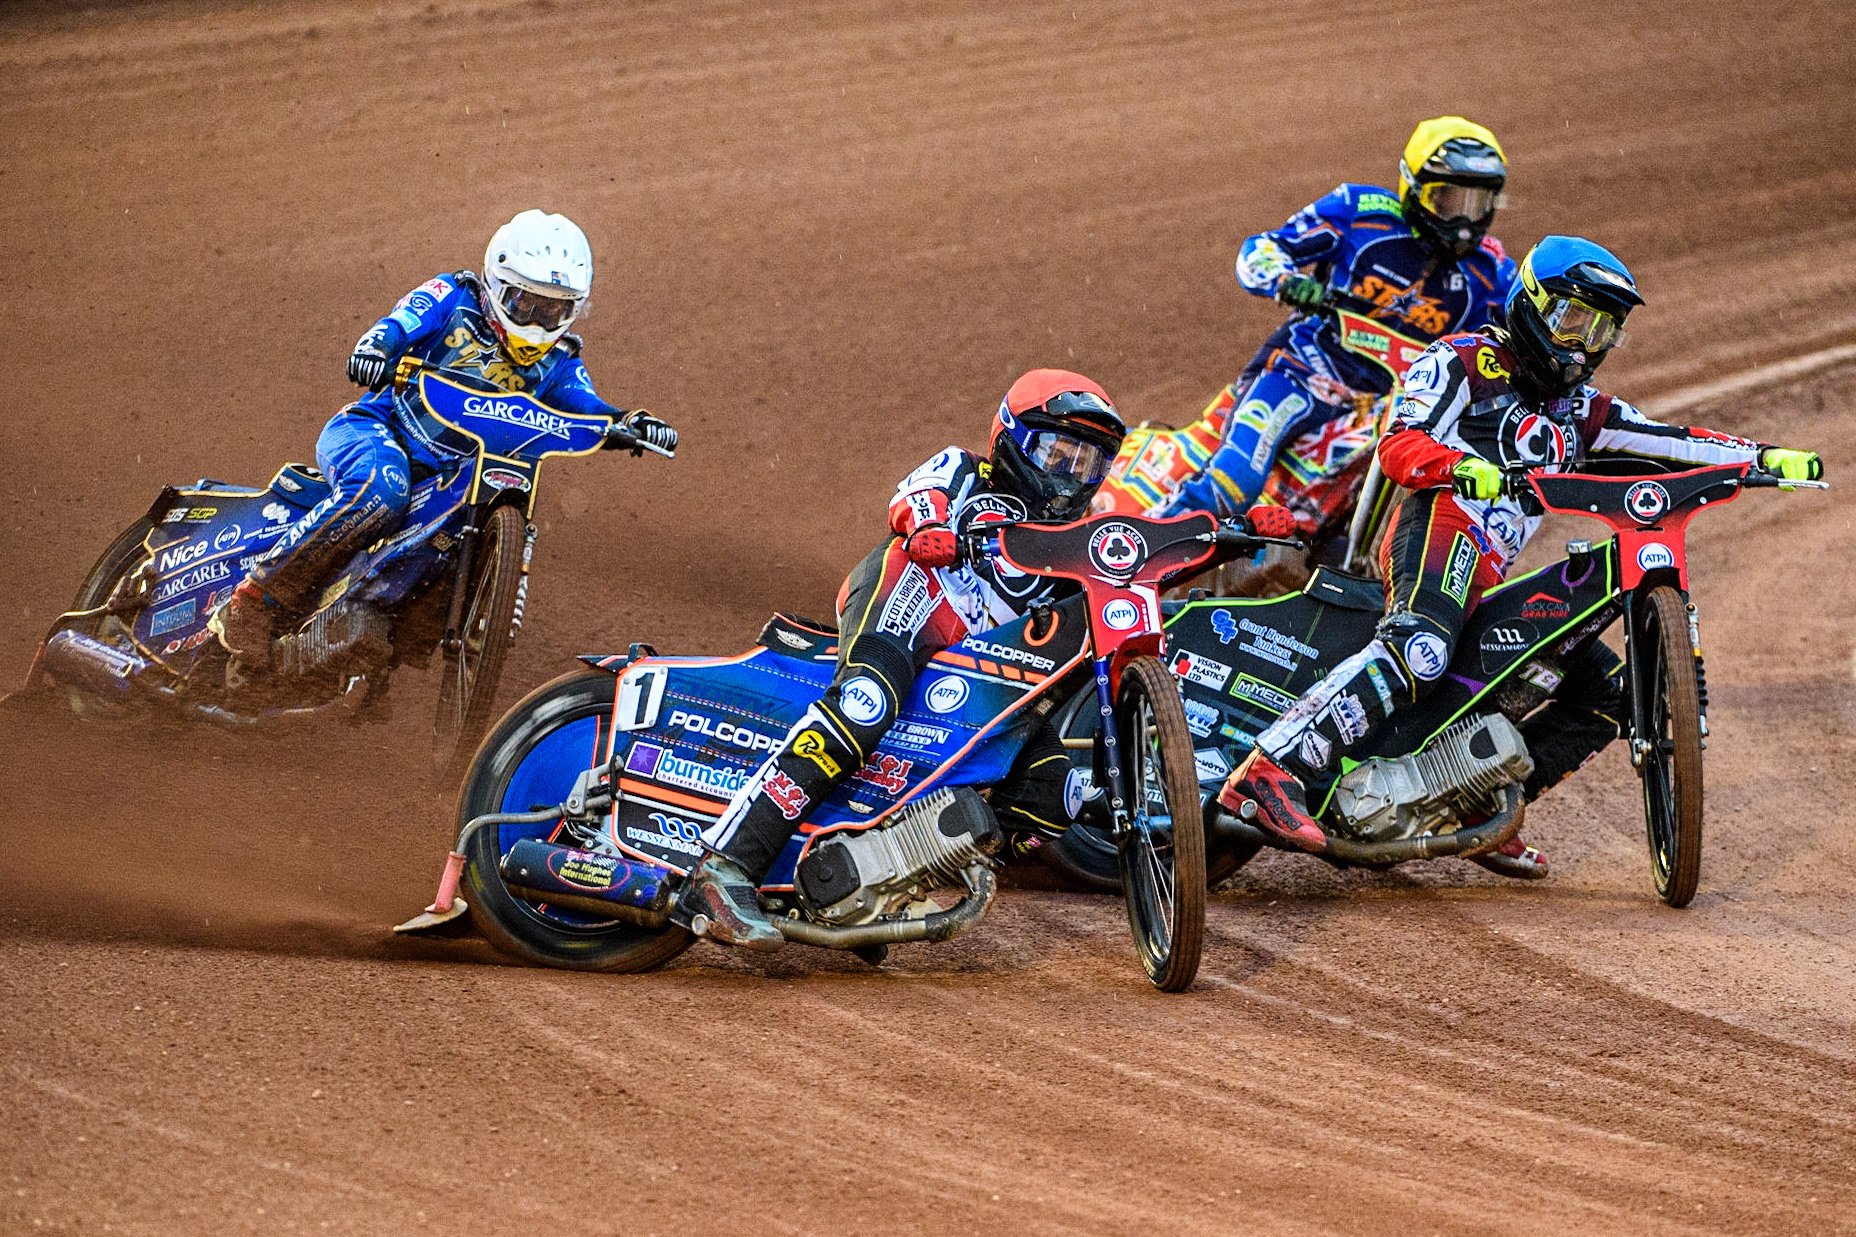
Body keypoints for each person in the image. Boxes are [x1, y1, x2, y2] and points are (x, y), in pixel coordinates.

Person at [1219, 236, 1824, 876]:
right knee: (1420, 649)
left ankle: (1477, 809)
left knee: (1607, 692)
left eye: (1603, 330)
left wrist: (1763, 459)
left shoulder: (1583, 411)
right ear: (1530, 302)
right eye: (1573, 318)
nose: (1584, 344)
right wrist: (1461, 468)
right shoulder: (1462, 360)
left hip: (1489, 571)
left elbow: (1673, 442)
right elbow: (1398, 443)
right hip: (1441, 522)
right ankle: (1272, 769)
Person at [680, 370, 1128, 949]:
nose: (1070, 475)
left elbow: (1140, 552)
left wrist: (1244, 533)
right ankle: (725, 868)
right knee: (866, 703)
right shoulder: (963, 468)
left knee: (1051, 780)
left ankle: (866, 882)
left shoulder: (1086, 530)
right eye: (1056, 451)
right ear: (1011, 437)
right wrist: (933, 527)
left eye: (1088, 463)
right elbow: (915, 499)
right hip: (913, 597)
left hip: (981, 668)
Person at [210, 209, 677, 668]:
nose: (537, 322)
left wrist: (627, 422)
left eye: (554, 309)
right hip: (377, 430)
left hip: (453, 475)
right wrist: (376, 349)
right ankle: (253, 602)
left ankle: (396, 634)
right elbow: (398, 324)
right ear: (496, 284)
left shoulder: (560, 360)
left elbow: (585, 404)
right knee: (382, 488)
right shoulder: (454, 296)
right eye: (526, 304)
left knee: (476, 515)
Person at [1159, 117, 1516, 520]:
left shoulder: (1493, 272)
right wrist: (1287, 281)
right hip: (1303, 373)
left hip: (1399, 409)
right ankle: (1140, 560)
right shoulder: (1361, 214)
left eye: (1478, 204)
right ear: (1414, 189)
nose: (1464, 223)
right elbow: (1261, 248)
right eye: (1449, 202)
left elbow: (1525, 340)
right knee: (1234, 484)